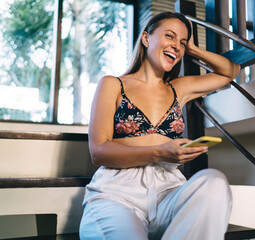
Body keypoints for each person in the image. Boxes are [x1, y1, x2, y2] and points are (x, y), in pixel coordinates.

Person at [79, 11, 240, 240]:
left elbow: (230, 72)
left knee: (213, 182)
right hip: (118, 194)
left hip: (169, 192)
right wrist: (160, 152)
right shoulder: (112, 85)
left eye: (182, 42)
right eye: (170, 36)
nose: (176, 46)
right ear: (146, 38)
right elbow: (99, 152)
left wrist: (193, 49)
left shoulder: (178, 88)